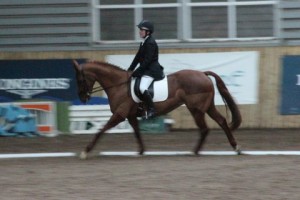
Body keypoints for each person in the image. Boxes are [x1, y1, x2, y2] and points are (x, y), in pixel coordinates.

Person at [128, 20, 164, 119]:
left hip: (151, 71)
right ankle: (140, 107)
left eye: (141, 30)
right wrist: (130, 70)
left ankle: (152, 109)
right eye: (140, 30)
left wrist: (136, 72)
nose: (139, 31)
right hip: (146, 70)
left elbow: (147, 62)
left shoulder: (150, 43)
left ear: (148, 32)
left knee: (142, 88)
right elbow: (137, 58)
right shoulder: (144, 42)